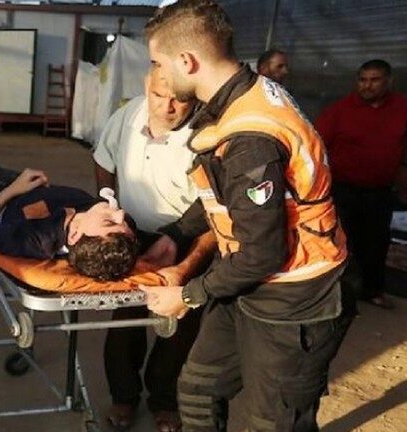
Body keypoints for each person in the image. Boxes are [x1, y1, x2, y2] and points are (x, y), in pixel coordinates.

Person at [141, 1, 353, 431]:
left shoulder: (251, 138)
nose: (158, 73)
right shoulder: (243, 95)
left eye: (158, 62)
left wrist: (189, 295)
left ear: (187, 61)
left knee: (273, 420)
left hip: (293, 297)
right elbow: (226, 192)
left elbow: (262, 253)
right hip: (243, 283)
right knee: (198, 389)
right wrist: (176, 234)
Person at [94, 67, 208, 431]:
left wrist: (179, 240)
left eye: (179, 99)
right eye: (159, 95)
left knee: (180, 323)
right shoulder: (129, 114)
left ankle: (163, 399)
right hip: (132, 234)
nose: (167, 107)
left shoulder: (207, 129)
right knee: (125, 320)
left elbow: (215, 201)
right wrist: (108, 203)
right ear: (147, 86)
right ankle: (123, 396)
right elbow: (103, 159)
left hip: (188, 237)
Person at [315, 59, 407, 310]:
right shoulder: (340, 110)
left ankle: (372, 291)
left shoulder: (401, 108)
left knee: (377, 242)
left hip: (381, 191)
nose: (367, 85)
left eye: (374, 80)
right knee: (340, 242)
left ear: (389, 81)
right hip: (343, 189)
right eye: (363, 80)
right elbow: (317, 145)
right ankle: (336, 295)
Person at [0, 165, 139, 281]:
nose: (120, 214)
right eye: (124, 222)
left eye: (109, 222)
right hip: (20, 184)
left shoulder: (35, 237)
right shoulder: (114, 235)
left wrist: (11, 191)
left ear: (74, 235)